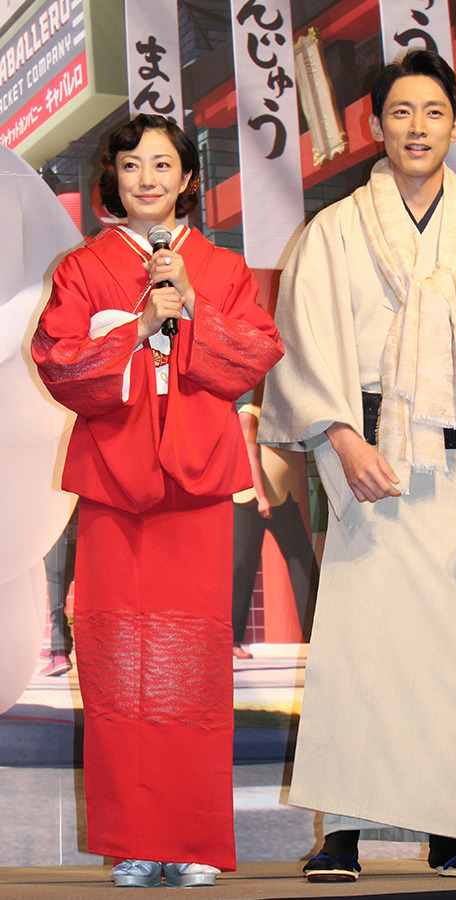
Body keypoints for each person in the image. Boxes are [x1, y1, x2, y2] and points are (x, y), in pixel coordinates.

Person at [258, 49, 456, 882]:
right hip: (369, 464)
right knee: (357, 654)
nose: (417, 127)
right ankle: (341, 835)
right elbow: (302, 344)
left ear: (454, 124)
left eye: (433, 112)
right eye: (400, 112)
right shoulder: (332, 232)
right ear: (374, 126)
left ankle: (447, 834)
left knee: (445, 665)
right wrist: (340, 440)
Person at [31, 114, 283, 888]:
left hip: (195, 481)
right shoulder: (84, 268)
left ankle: (193, 838)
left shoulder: (221, 268)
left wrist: (195, 310)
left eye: (163, 164)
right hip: (117, 482)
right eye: (132, 164)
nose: (147, 178)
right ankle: (134, 840)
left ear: (187, 178)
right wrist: (138, 327)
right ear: (112, 177)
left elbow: (256, 352)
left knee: (191, 670)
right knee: (119, 666)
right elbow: (58, 361)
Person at [232, 396, 318, 658]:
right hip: (251, 499)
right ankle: (232, 641)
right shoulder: (249, 412)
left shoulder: (284, 413)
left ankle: (317, 635)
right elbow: (250, 454)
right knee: (242, 567)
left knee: (303, 565)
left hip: (285, 497)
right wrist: (261, 496)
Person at [39, 505, 78, 677]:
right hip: (77, 524)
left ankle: (59, 652)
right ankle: (59, 648)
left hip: (59, 526)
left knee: (57, 589)